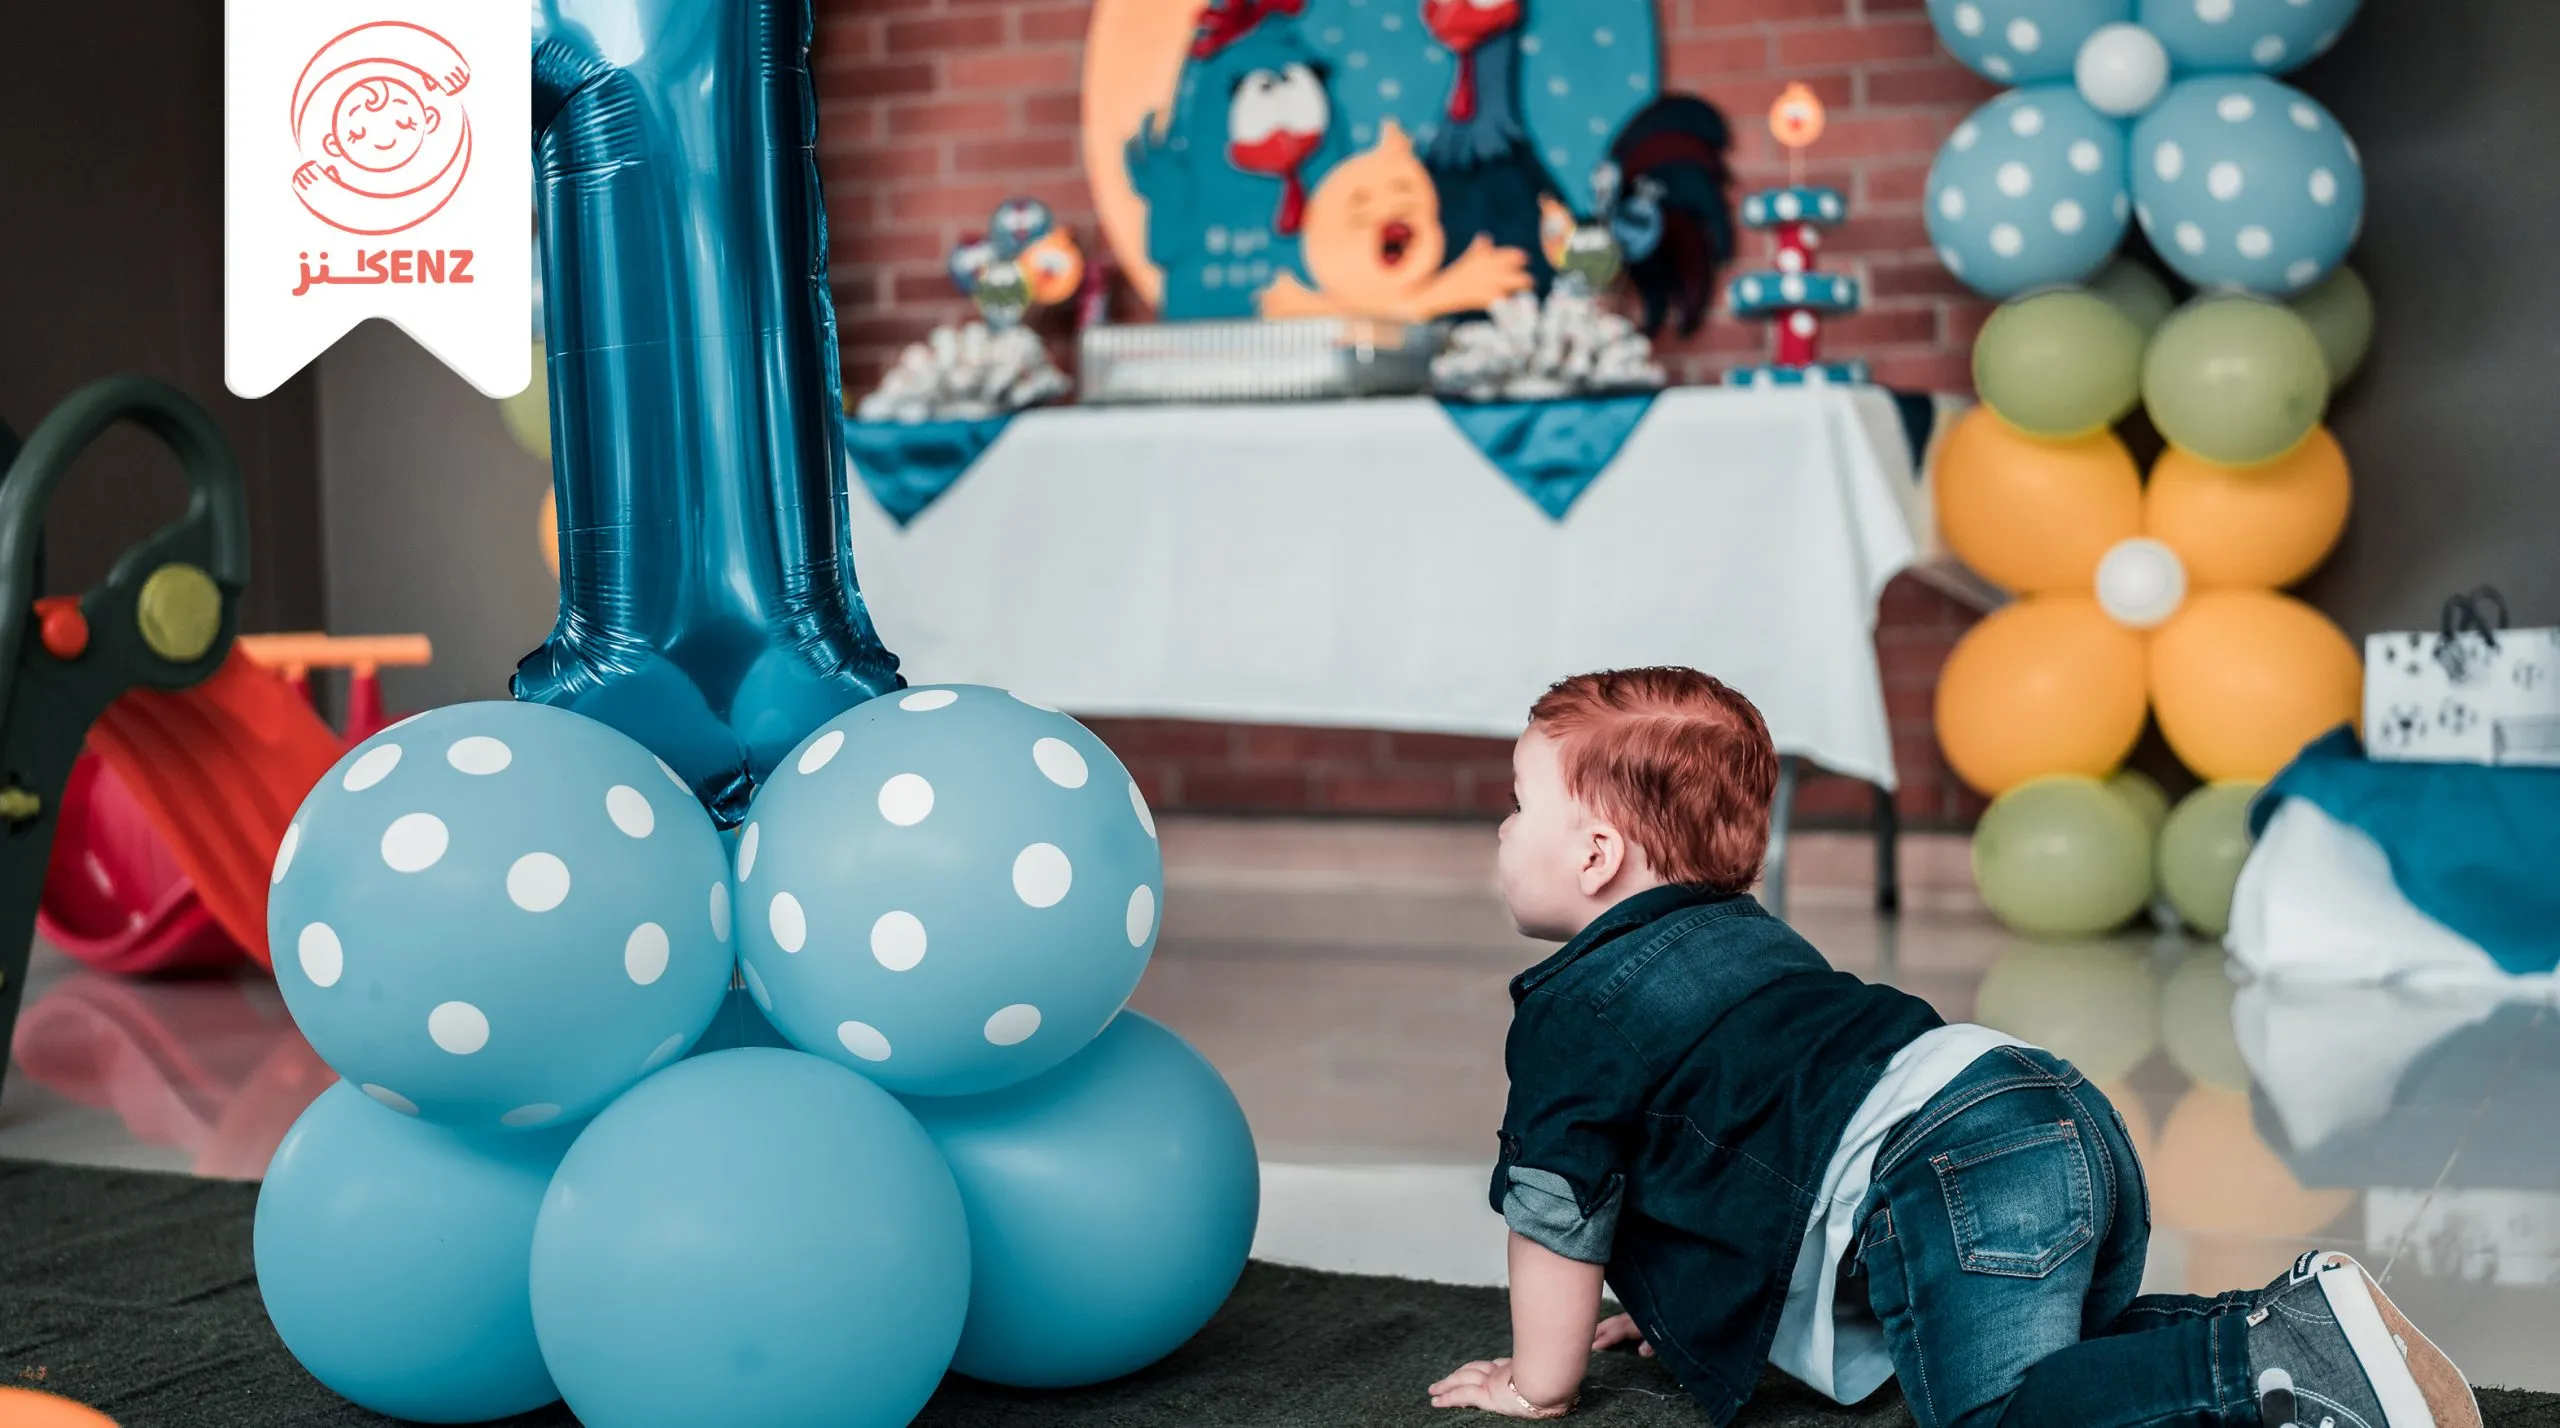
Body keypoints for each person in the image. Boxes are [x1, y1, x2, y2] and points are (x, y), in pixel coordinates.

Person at [1427, 668, 2481, 1428]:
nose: (1503, 830)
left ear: (1597, 855)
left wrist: (1538, 1382)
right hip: (2033, 1099)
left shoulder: (1575, 1010)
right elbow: (1751, 1152)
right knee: (2047, 1354)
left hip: (1947, 1165)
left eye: (1520, 805)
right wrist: (1679, 1311)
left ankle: (2267, 1366)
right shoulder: (1756, 942)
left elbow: (1558, 1214)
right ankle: (2284, 1317)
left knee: (1993, 1412)